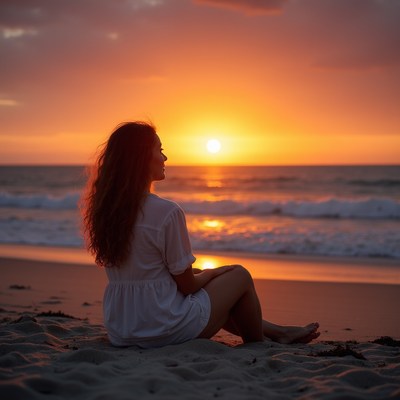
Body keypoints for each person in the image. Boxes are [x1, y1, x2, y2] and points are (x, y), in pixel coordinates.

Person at [82, 121, 320, 348]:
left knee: (206, 282)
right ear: (142, 158)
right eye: (160, 150)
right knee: (239, 274)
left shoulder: (105, 211)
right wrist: (214, 272)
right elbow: (187, 286)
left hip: (122, 329)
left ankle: (280, 333)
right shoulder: (167, 212)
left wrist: (204, 275)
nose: (165, 157)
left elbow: (157, 273)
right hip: (162, 329)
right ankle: (257, 344)